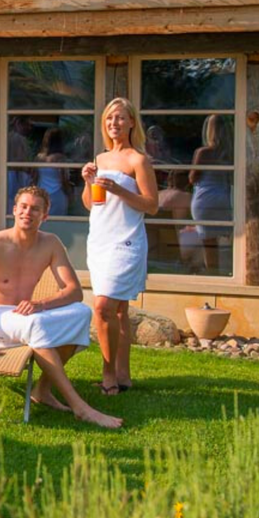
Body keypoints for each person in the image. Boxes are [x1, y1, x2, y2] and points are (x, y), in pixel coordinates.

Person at [0, 186, 121, 429]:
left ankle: (42, 390)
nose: (27, 213)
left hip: (20, 318)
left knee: (81, 313)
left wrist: (41, 304)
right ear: (14, 210)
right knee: (35, 324)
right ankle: (80, 407)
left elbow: (74, 291)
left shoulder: (50, 244)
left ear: (45, 215)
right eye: (23, 207)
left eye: (35, 209)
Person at [81, 97, 158, 396]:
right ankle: (124, 375)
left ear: (131, 122)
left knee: (102, 308)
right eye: (110, 118)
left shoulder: (139, 160)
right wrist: (89, 182)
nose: (114, 123)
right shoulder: (100, 159)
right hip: (99, 240)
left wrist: (120, 190)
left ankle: (108, 373)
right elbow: (92, 205)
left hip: (125, 242)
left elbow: (151, 206)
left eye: (120, 118)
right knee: (120, 312)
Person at [189, 114, 233, 273]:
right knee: (232, 239)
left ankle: (213, 273)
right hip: (224, 198)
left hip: (205, 199)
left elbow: (193, 178)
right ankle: (232, 272)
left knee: (209, 243)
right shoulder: (230, 153)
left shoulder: (203, 152)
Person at [34, 127, 70, 217]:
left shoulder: (39, 158)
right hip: (58, 193)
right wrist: (69, 193)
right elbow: (64, 179)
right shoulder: (60, 158)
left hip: (42, 192)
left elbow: (35, 176)